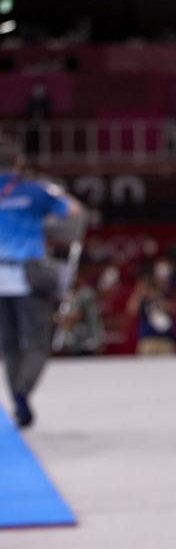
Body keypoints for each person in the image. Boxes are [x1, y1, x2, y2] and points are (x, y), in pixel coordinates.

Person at [0, 140, 83, 428]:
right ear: (19, 164)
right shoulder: (35, 191)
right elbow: (73, 212)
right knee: (36, 345)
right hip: (27, 278)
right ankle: (22, 393)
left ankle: (18, 403)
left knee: (9, 346)